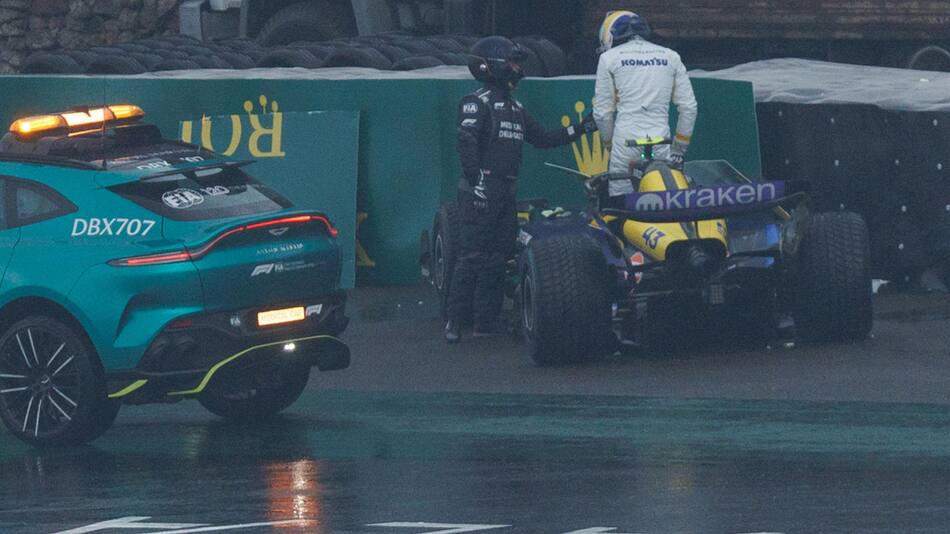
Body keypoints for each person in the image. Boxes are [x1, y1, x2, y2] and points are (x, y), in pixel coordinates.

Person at [444, 35, 597, 344]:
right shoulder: (477, 101)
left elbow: (543, 138)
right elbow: (466, 141)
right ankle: (454, 322)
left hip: (506, 191)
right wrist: (477, 182)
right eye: (512, 62)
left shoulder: (515, 107)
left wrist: (580, 128)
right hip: (481, 190)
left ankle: (485, 322)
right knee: (471, 256)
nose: (517, 67)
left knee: (499, 257)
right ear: (492, 66)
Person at [592, 11, 698, 197]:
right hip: (661, 140)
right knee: (666, 201)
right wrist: (678, 150)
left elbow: (602, 113)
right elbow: (689, 108)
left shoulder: (608, 58)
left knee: (622, 205)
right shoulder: (671, 56)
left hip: (625, 141)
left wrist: (610, 144)